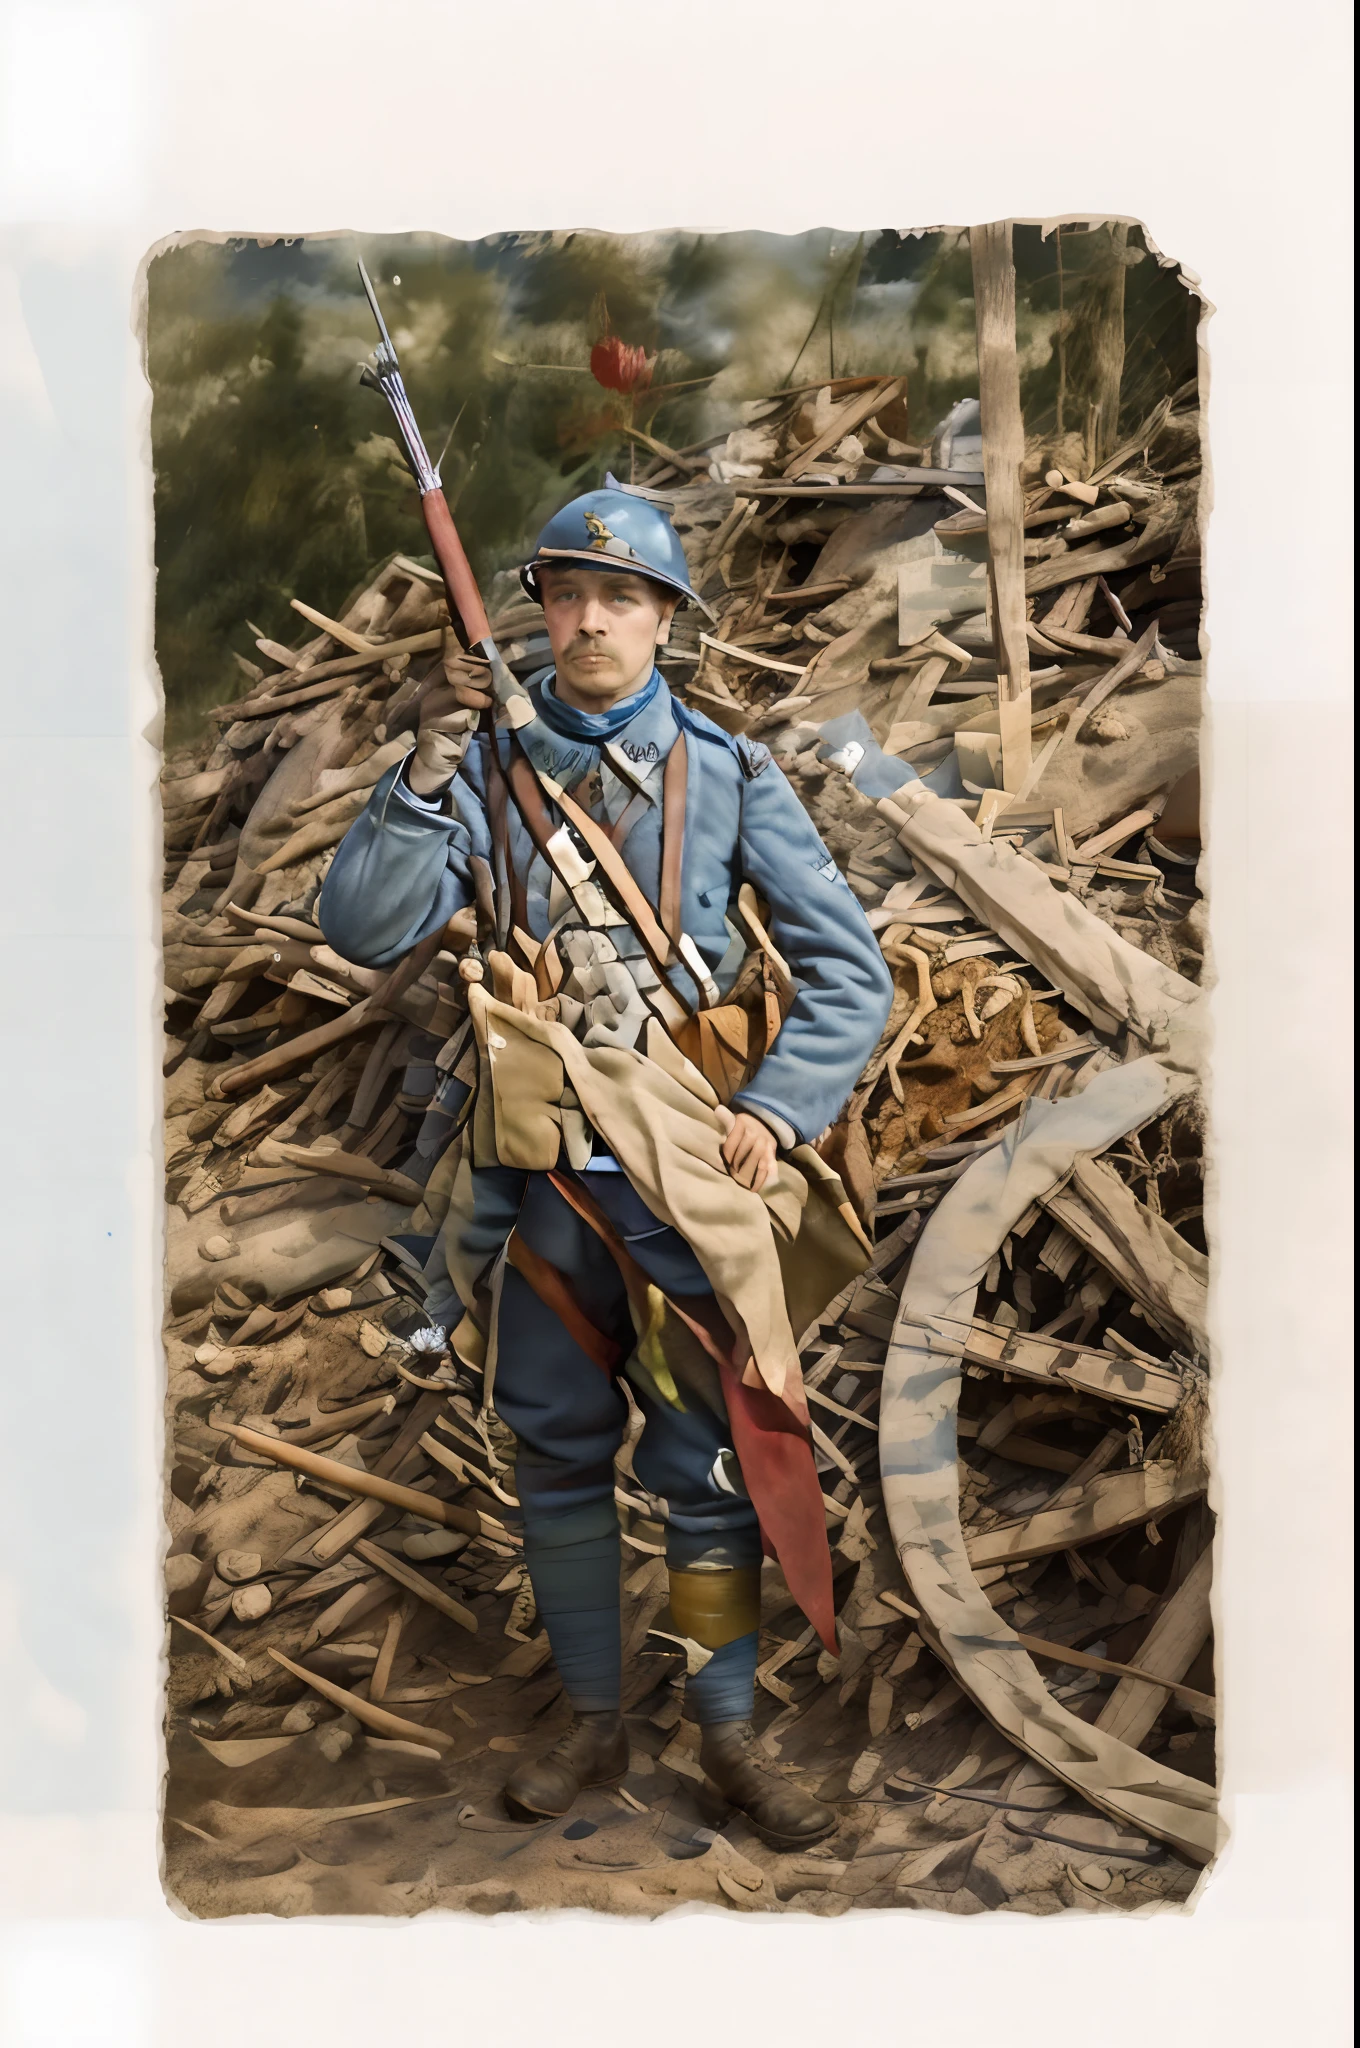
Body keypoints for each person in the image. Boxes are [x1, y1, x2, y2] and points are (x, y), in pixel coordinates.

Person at [318, 482, 893, 1846]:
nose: (588, 620)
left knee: (703, 1466)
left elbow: (846, 974)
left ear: (665, 621)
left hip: (683, 1181)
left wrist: (781, 1111)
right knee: (555, 1455)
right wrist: (424, 763)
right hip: (533, 1182)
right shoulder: (480, 769)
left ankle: (732, 1733)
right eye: (565, 593)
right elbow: (360, 926)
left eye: (619, 597)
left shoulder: (731, 774)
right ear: (534, 610)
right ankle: (592, 1722)